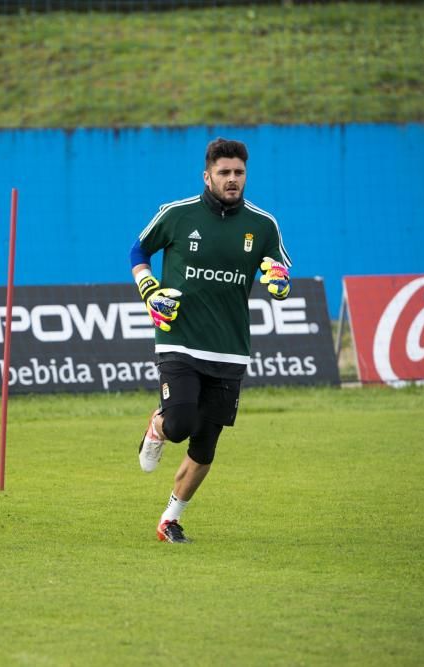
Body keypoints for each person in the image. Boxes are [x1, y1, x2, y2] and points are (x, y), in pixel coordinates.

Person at [129, 137, 291, 543]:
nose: (232, 179)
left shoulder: (263, 225)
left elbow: (279, 272)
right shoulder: (178, 214)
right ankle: (157, 427)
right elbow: (138, 250)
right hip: (179, 339)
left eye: (239, 172)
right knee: (181, 423)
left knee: (205, 446)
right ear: (208, 176)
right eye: (224, 173)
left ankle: (169, 520)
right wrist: (148, 287)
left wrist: (278, 283)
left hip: (230, 348)